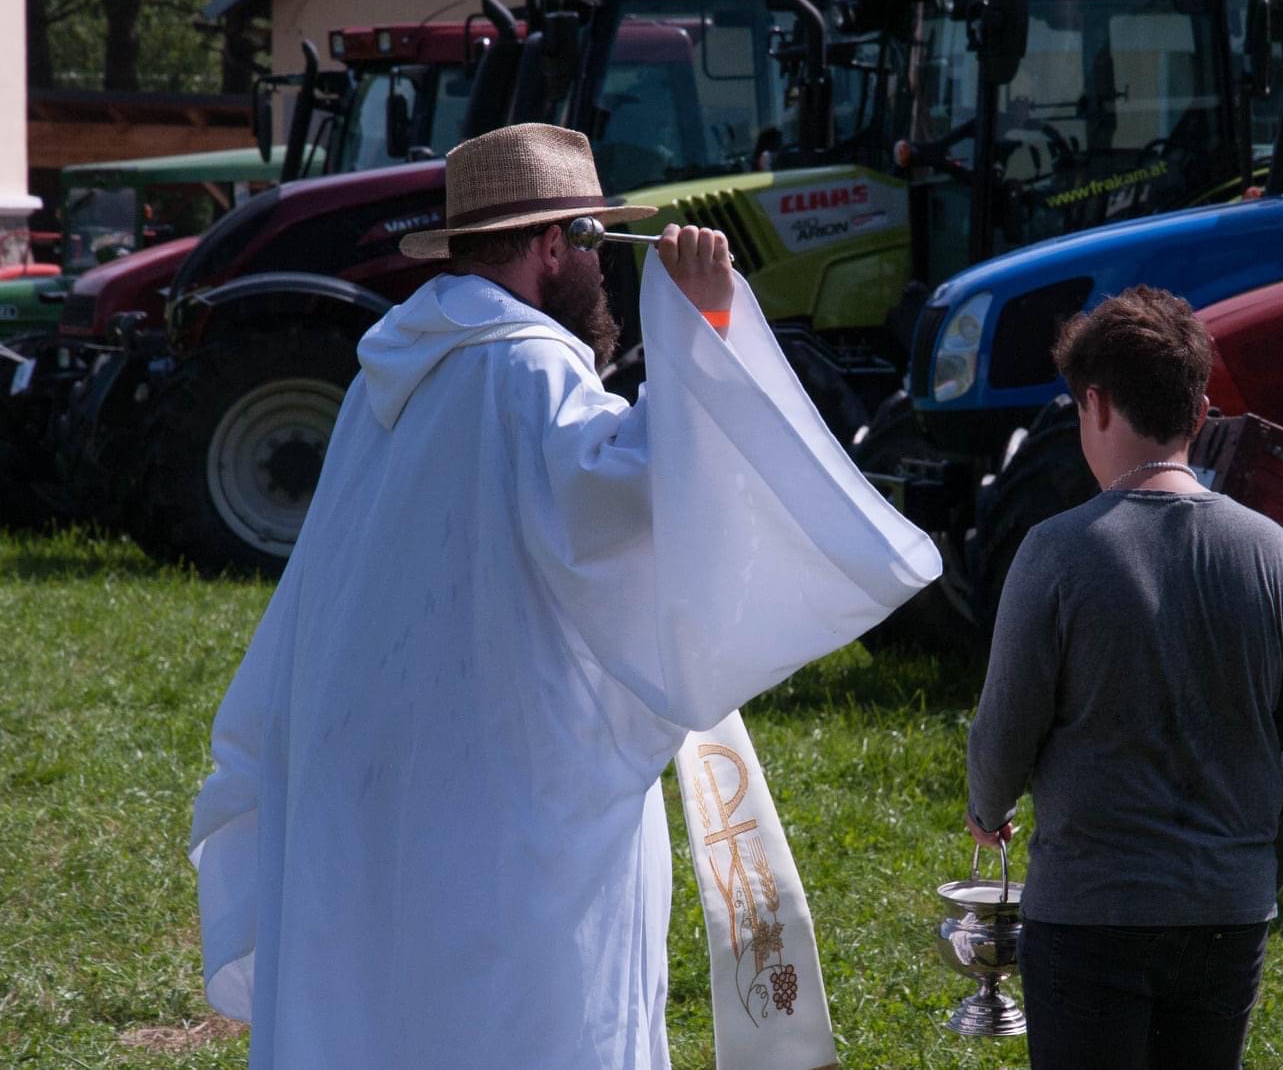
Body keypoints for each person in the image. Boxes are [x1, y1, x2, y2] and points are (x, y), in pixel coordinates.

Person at [188, 123, 939, 1069]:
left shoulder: (391, 377)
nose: (601, 274)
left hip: (377, 782)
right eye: (590, 242)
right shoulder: (526, 369)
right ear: (552, 245)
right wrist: (707, 324)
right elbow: (643, 502)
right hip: (505, 807)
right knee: (522, 1023)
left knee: (389, 1009)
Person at [965, 285, 1283, 1070]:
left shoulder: (1056, 550)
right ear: (1200, 412)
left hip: (1089, 912)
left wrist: (985, 806)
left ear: (1096, 405)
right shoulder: (1274, 550)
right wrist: (1257, 865)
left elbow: (1005, 729)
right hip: (1228, 911)